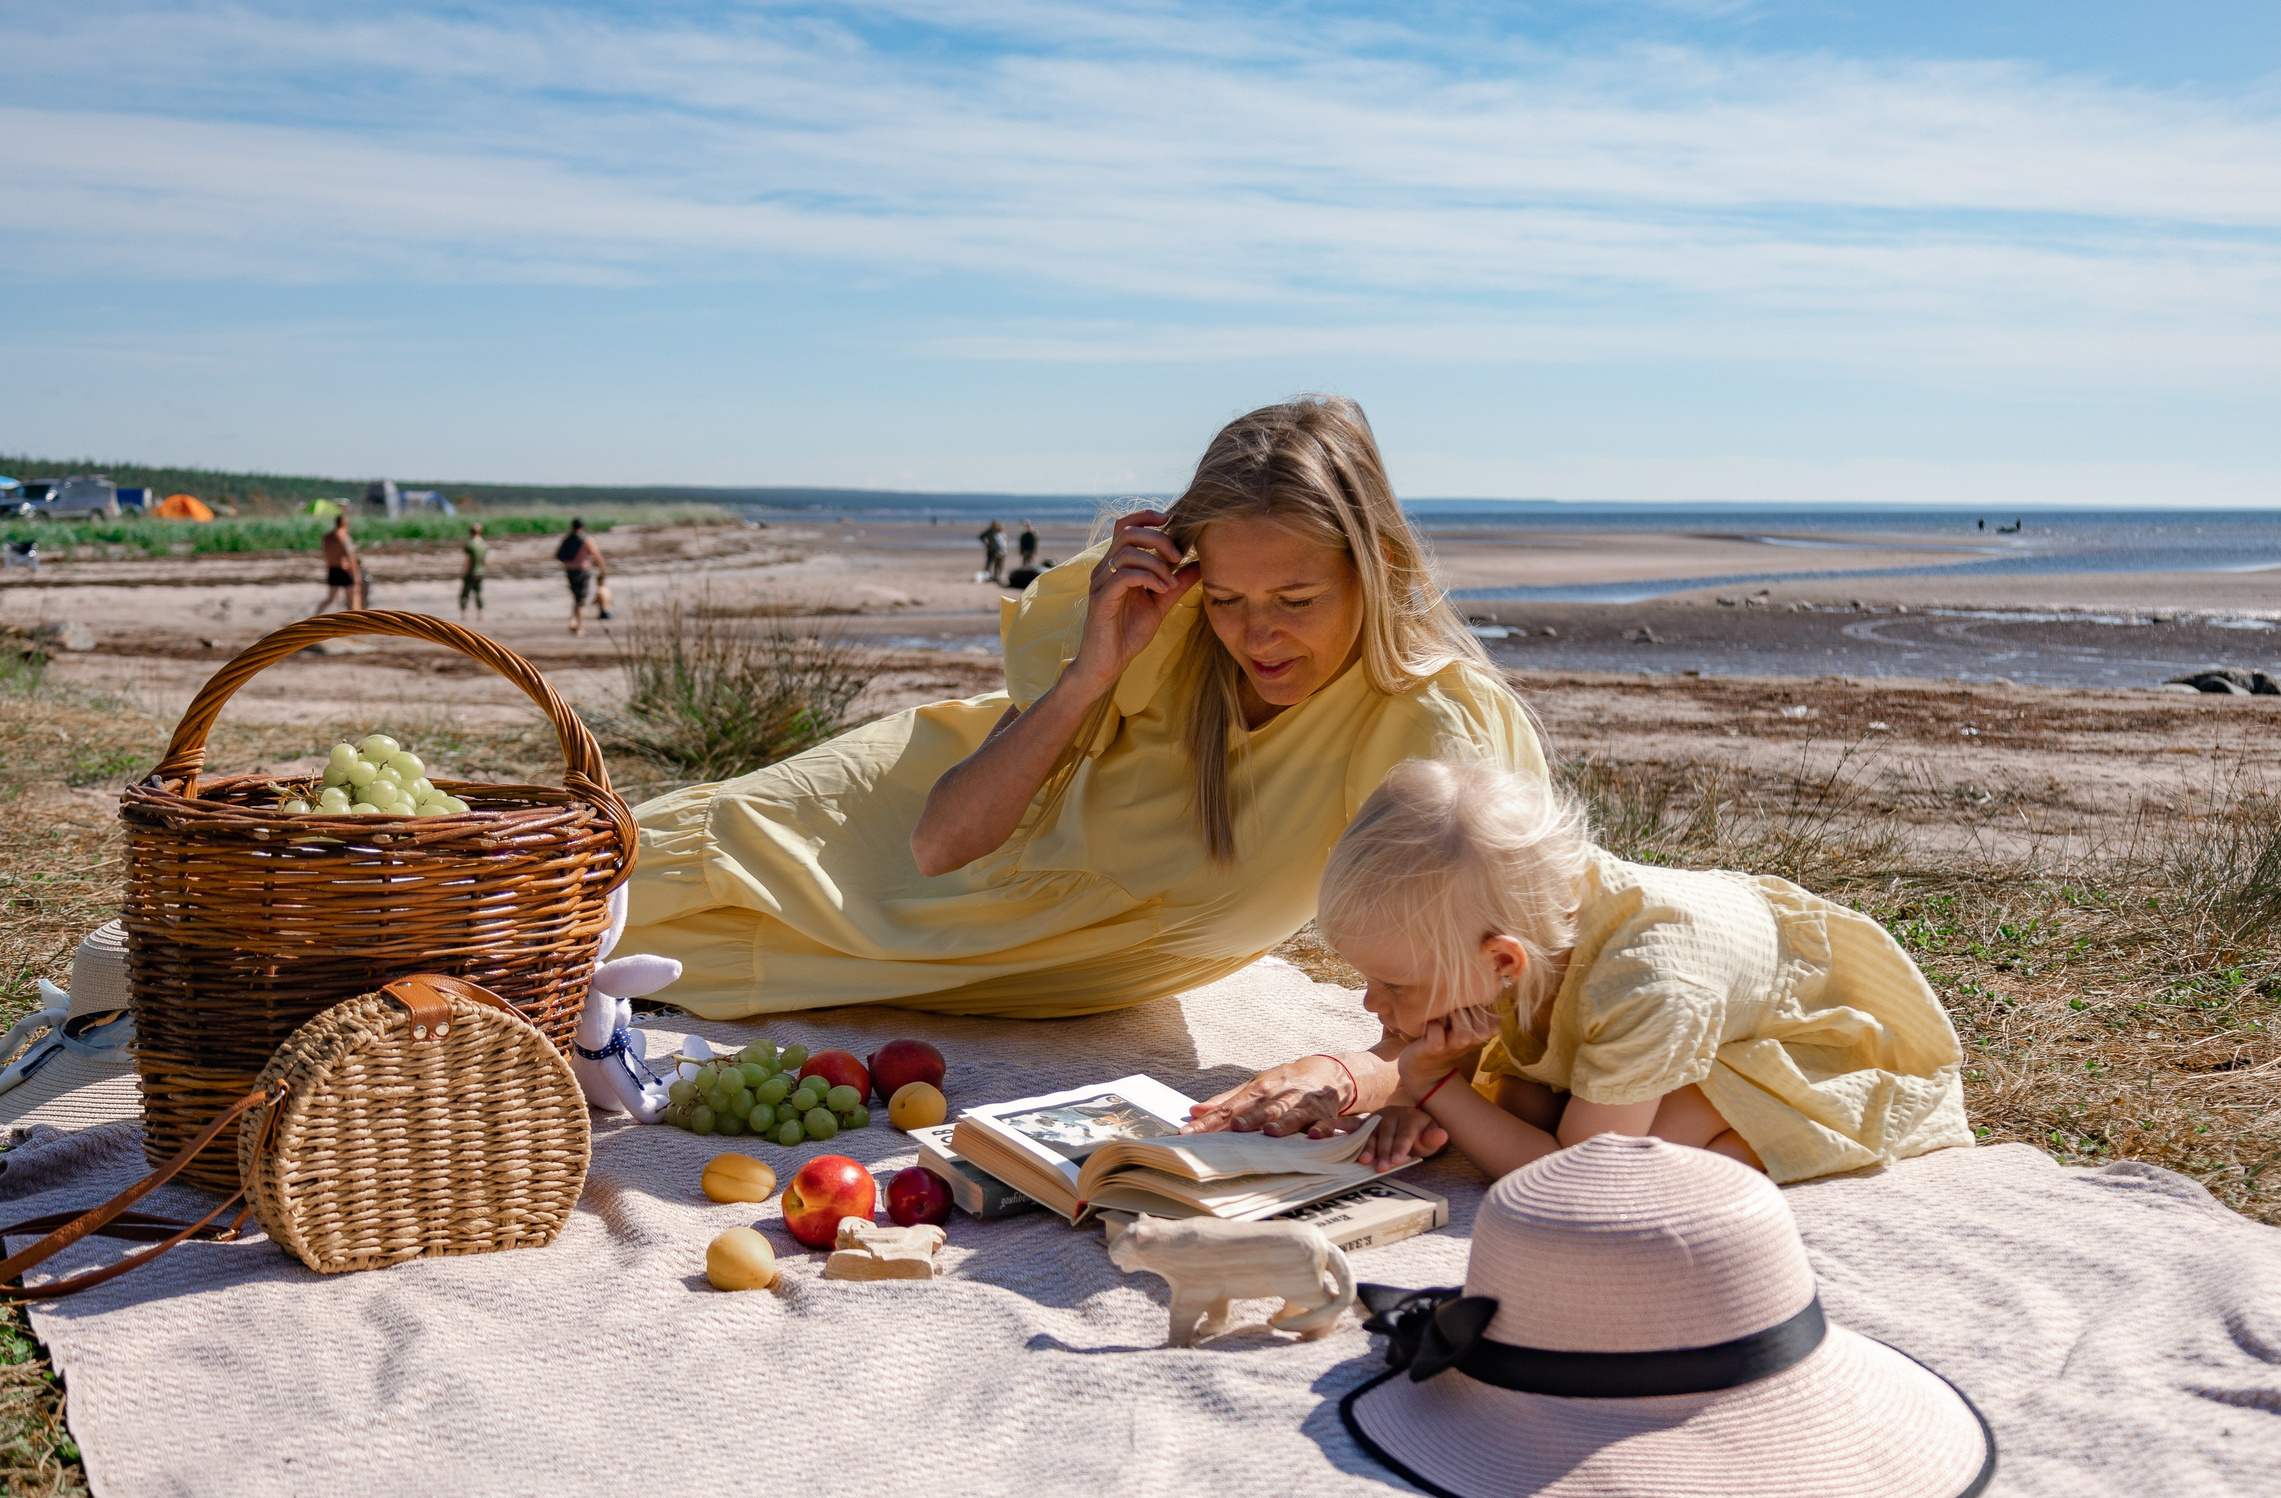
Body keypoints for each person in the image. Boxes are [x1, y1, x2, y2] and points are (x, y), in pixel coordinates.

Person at [619, 394, 1545, 1022]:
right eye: (1226, 598)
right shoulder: (1170, 634)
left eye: (1295, 602)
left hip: (1001, 954)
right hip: (893, 821)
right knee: (574, 886)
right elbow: (940, 842)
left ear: (1377, 570)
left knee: (590, 963)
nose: (1255, 635)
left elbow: (1487, 993)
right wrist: (1091, 670)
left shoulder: (1430, 728)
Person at [1282, 756, 1972, 1186]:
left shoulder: (1649, 981)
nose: (1371, 1002)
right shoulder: (1530, 916)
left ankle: (1761, 1136)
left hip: (1813, 1031)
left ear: (1503, 960)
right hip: (1689, 999)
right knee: (1527, 1106)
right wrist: (1421, 1102)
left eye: (1396, 984)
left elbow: (1570, 1177)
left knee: (1645, 1155)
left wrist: (1431, 1085)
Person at [557, 518, 604, 635]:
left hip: (569, 571)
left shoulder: (567, 538)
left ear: (572, 527)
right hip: (582, 571)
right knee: (582, 601)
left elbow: (559, 555)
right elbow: (596, 555)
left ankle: (573, 621)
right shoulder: (586, 539)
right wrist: (602, 569)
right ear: (582, 527)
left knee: (576, 598)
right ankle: (580, 628)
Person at [315, 512, 364, 614]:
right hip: (344, 570)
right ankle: (355, 622)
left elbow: (325, 553)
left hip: (332, 569)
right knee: (352, 598)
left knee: (331, 599)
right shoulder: (343, 536)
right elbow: (351, 557)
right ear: (345, 523)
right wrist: (356, 574)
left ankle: (314, 616)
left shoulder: (327, 537)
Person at [458, 523, 488, 615]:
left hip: (471, 572)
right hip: (480, 572)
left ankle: (465, 613)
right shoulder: (484, 544)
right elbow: (486, 561)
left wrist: (464, 573)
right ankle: (480, 613)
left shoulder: (470, 544)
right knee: (478, 593)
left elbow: (468, 560)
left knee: (465, 594)